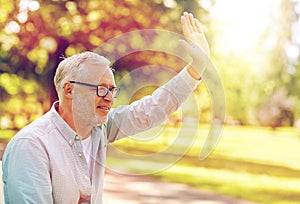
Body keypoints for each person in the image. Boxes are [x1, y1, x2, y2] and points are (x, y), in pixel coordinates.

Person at [2, 12, 210, 203]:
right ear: (69, 90)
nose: (110, 98)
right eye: (101, 89)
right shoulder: (31, 145)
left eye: (112, 90)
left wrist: (195, 68)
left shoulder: (98, 129)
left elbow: (150, 110)